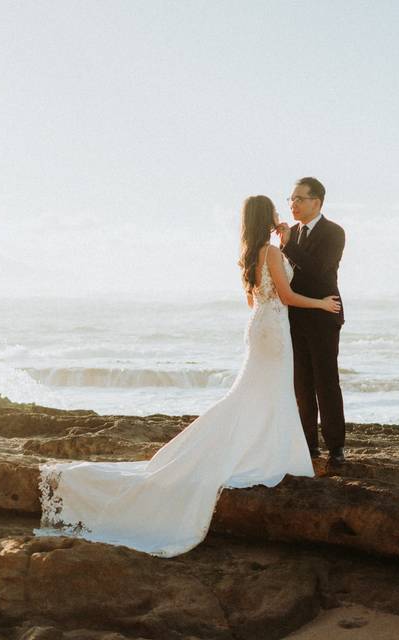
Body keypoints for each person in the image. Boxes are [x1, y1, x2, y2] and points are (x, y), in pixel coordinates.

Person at [35, 195, 341, 557]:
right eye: (275, 208)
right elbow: (287, 295)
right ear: (266, 216)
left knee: (255, 393)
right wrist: (322, 302)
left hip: (260, 325)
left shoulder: (252, 252)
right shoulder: (271, 252)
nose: (281, 211)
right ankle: (270, 453)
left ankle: (261, 449)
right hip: (274, 330)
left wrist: (282, 244)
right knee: (268, 393)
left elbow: (258, 297)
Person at [276, 177, 347, 463]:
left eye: (299, 199)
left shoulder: (333, 232)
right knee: (301, 384)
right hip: (294, 316)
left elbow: (320, 270)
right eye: (290, 199)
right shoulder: (290, 234)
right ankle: (307, 445)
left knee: (326, 381)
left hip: (324, 314)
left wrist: (289, 246)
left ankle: (336, 446)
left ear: (316, 202)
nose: (293, 204)